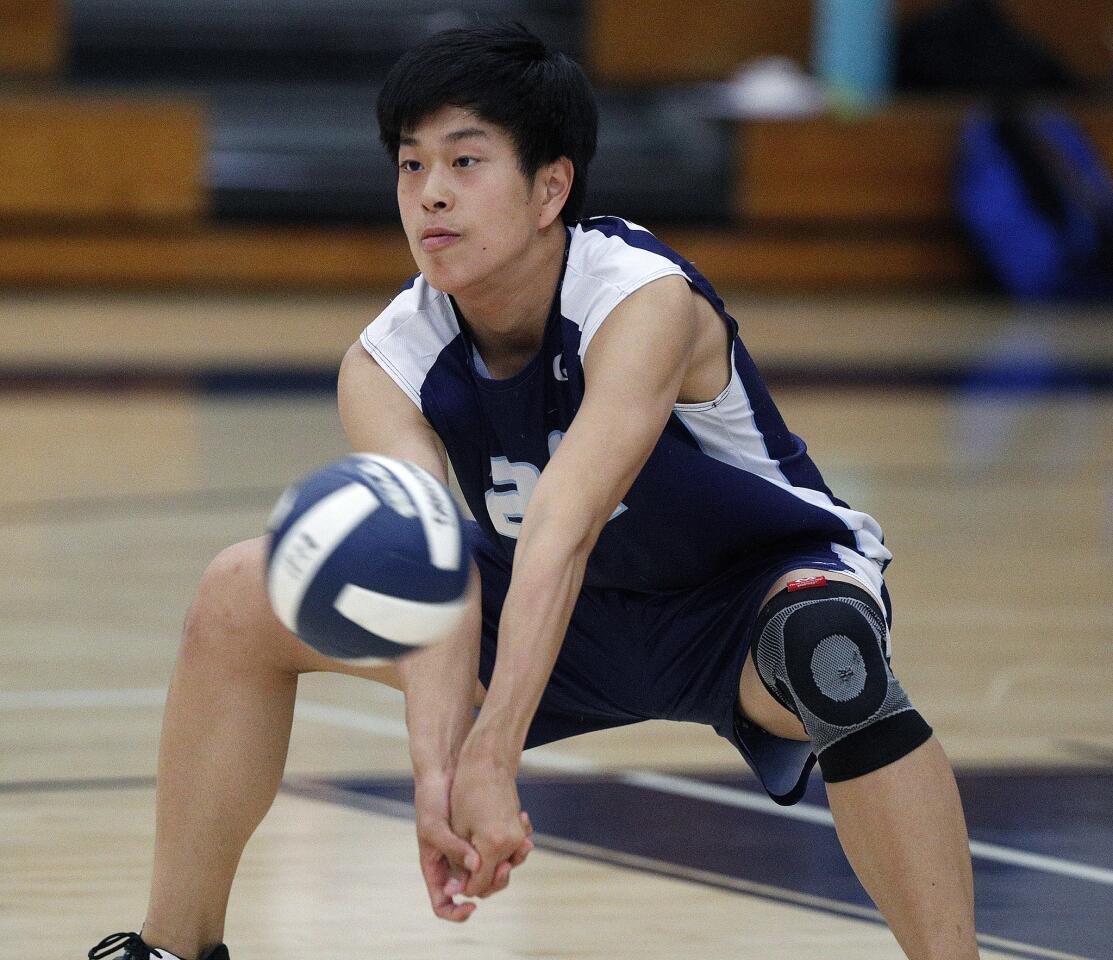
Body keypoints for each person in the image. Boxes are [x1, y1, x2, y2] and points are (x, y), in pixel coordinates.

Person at [88, 23, 978, 960]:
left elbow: (564, 521)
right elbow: (425, 574)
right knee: (240, 592)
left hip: (741, 602)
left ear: (550, 186)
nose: (429, 192)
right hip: (565, 624)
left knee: (829, 652)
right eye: (410, 165)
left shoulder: (641, 299)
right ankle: (173, 946)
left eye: (464, 161)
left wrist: (494, 756)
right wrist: (439, 785)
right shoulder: (386, 363)